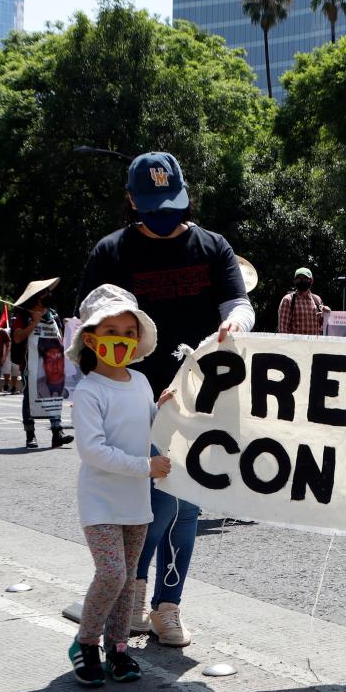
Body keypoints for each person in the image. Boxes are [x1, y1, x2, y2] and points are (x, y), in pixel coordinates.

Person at [78, 151, 255, 646]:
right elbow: (91, 327)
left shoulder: (213, 246)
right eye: (151, 205)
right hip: (131, 399)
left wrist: (236, 323)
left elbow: (239, 302)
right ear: (132, 201)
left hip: (198, 400)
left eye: (171, 203)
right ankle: (131, 594)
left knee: (185, 507)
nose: (163, 216)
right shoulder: (110, 252)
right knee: (141, 508)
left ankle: (166, 605)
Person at [66, 284, 171, 686]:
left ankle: (119, 648)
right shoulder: (90, 390)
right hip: (100, 502)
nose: (122, 341)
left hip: (135, 500)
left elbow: (148, 427)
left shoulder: (141, 383)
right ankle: (86, 642)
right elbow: (93, 451)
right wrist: (146, 467)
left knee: (129, 577)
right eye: (112, 332)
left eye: (129, 334)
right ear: (91, 339)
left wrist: (163, 408)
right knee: (112, 573)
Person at [10, 278, 73, 451]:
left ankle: (57, 433)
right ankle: (30, 434)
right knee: (29, 398)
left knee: (54, 395)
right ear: (36, 296)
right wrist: (34, 322)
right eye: (45, 293)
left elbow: (60, 338)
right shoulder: (22, 314)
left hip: (52, 364)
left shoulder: (53, 314)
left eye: (48, 292)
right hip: (30, 365)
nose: (48, 295)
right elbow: (17, 337)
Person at [278, 267, 329, 335]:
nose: (301, 281)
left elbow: (323, 326)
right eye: (298, 279)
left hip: (314, 345)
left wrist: (328, 314)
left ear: (311, 281)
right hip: (295, 345)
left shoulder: (317, 300)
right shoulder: (288, 300)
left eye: (305, 279)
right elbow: (283, 330)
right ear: (294, 281)